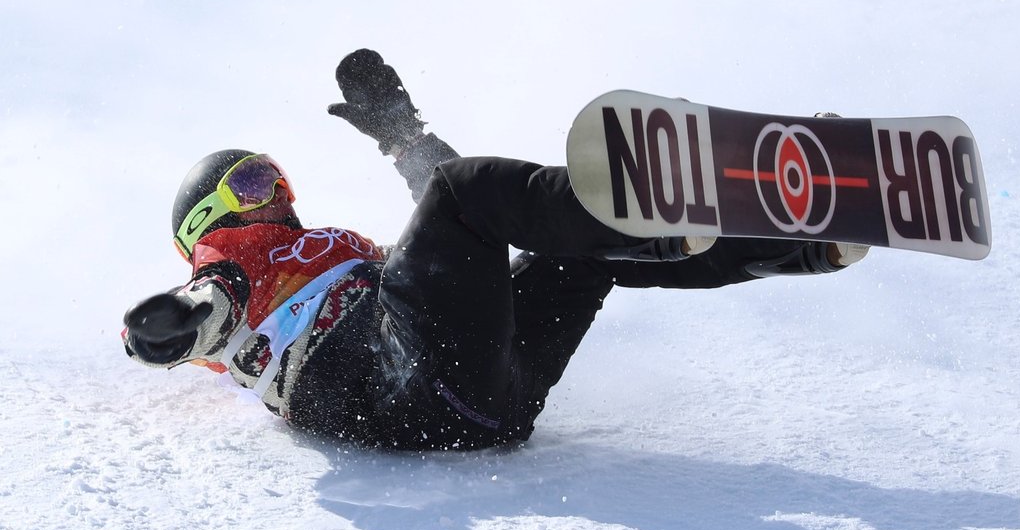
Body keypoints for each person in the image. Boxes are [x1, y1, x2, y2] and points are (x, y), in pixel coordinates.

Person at [122, 49, 868, 451]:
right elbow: (210, 301)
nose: (274, 192)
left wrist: (398, 135)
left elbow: (453, 242)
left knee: (578, 250)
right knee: (465, 193)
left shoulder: (328, 253)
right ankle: (648, 220)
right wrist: (169, 324)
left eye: (274, 175)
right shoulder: (236, 259)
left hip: (482, 407)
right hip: (382, 377)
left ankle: (804, 244)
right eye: (251, 182)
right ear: (210, 219)